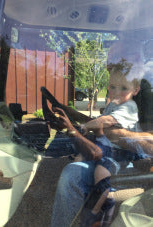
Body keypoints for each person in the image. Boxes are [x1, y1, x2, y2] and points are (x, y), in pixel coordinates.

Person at [41, 40, 149, 226]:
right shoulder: (115, 102)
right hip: (106, 145)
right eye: (113, 86)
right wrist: (71, 113)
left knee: (75, 173)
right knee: (60, 156)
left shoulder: (130, 106)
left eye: (122, 88)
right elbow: (101, 124)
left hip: (123, 155)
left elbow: (106, 123)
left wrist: (80, 128)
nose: (116, 91)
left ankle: (98, 210)